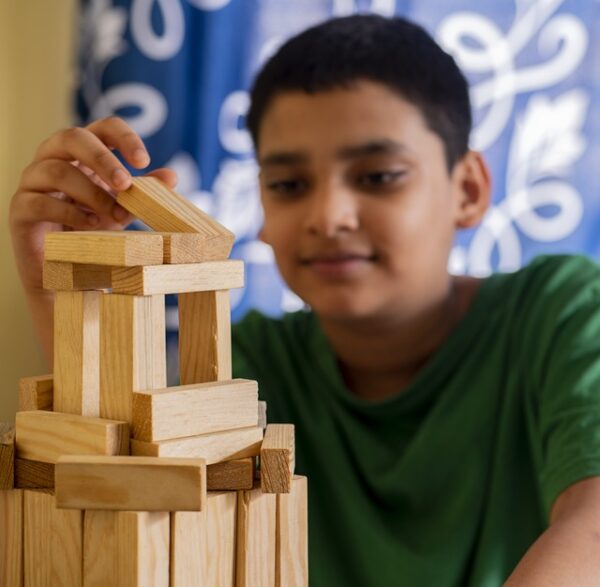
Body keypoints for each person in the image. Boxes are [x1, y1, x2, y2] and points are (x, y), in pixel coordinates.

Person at [9, 14, 600, 586]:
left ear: (467, 189)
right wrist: (60, 294)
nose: (327, 217)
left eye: (378, 176)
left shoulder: (561, 312)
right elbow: (123, 513)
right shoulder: (249, 371)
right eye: (289, 186)